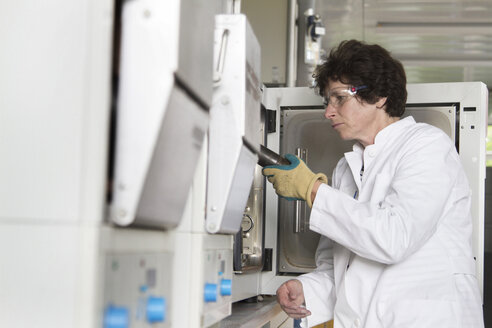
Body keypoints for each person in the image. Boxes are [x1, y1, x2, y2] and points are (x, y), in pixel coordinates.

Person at [262, 40, 484, 327]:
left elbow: (394, 238)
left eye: (339, 98)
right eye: (327, 101)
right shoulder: (346, 168)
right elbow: (340, 267)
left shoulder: (426, 145)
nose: (328, 112)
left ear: (378, 96)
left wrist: (312, 190)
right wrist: (308, 289)